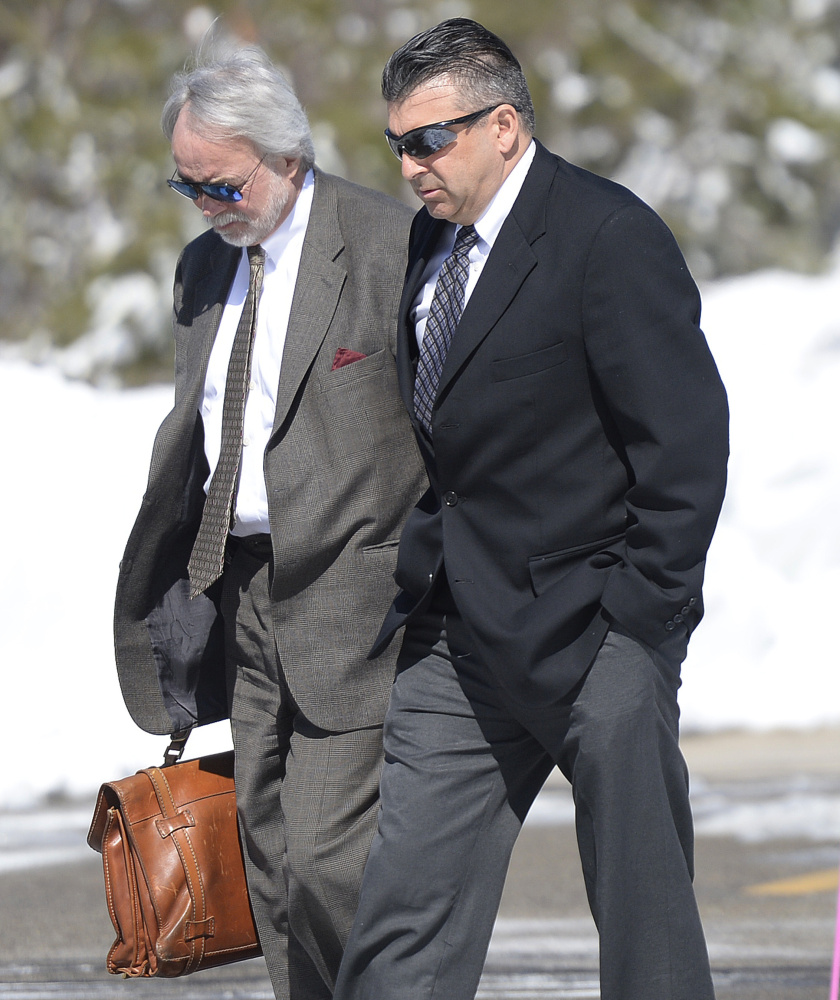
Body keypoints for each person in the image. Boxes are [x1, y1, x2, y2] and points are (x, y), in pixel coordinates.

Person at [333, 17, 729, 1000]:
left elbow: (684, 442)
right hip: (460, 635)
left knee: (647, 935)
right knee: (400, 929)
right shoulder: (431, 242)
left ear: (504, 125)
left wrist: (640, 623)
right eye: (398, 144)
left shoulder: (607, 234)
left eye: (431, 139)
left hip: (594, 631)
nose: (411, 164)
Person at [112, 43, 425, 1000]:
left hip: (355, 599)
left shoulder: (387, 244)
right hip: (240, 590)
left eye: (221, 185)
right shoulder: (203, 268)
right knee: (270, 862)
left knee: (334, 862)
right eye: (187, 185)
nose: (206, 205)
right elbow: (203, 427)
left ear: (288, 158)